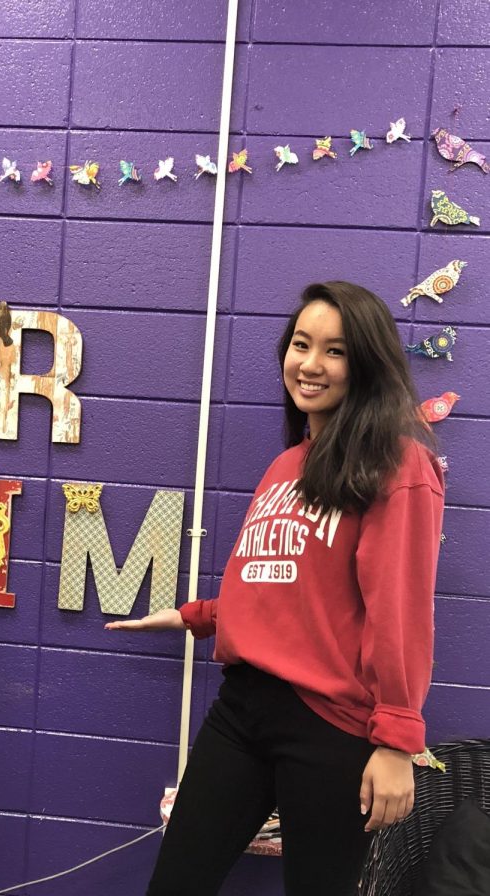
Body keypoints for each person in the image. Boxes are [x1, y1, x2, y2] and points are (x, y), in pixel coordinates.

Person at [106, 282, 445, 896]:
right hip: (243, 709)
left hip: (331, 728)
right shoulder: (286, 465)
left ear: (367, 363)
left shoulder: (399, 464)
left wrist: (398, 740)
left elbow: (399, 608)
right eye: (301, 344)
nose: (310, 364)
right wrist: (197, 615)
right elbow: (277, 583)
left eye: (335, 351)